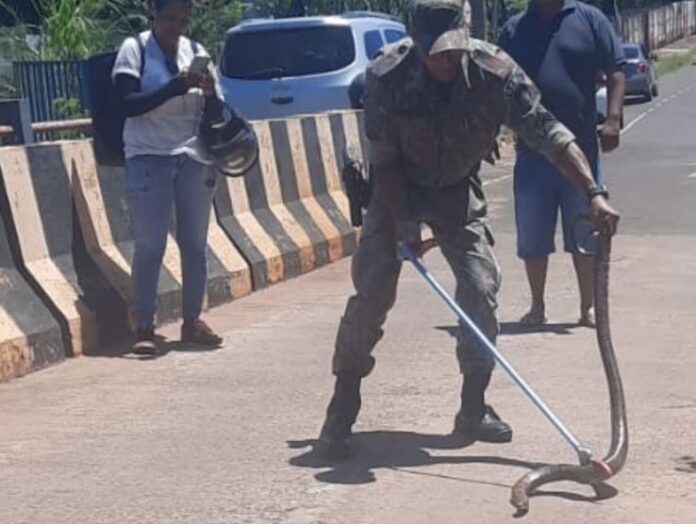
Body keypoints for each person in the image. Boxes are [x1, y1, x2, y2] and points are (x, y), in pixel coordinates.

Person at [316, 0, 620, 459]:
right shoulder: (385, 78)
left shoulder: (495, 73)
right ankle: (343, 403)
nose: (447, 61)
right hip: (395, 191)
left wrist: (593, 191)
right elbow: (385, 162)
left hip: (456, 190)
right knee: (374, 289)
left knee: (480, 288)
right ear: (416, 44)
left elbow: (549, 132)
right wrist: (405, 226)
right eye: (436, 53)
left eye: (454, 51)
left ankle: (473, 407)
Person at [499, 0, 626, 327]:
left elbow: (616, 69)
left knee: (585, 229)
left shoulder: (589, 19)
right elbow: (494, 85)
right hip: (531, 154)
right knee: (532, 235)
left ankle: (588, 307)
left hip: (581, 152)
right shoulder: (514, 29)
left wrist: (613, 118)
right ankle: (537, 306)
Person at [113, 0, 225, 354]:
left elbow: (217, 109)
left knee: (194, 243)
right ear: (155, 17)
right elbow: (128, 102)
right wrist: (175, 87)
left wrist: (208, 91)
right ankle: (144, 326)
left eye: (182, 19)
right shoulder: (135, 50)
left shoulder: (195, 51)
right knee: (150, 245)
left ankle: (192, 320)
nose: (176, 26)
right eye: (169, 18)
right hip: (148, 155)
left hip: (192, 155)